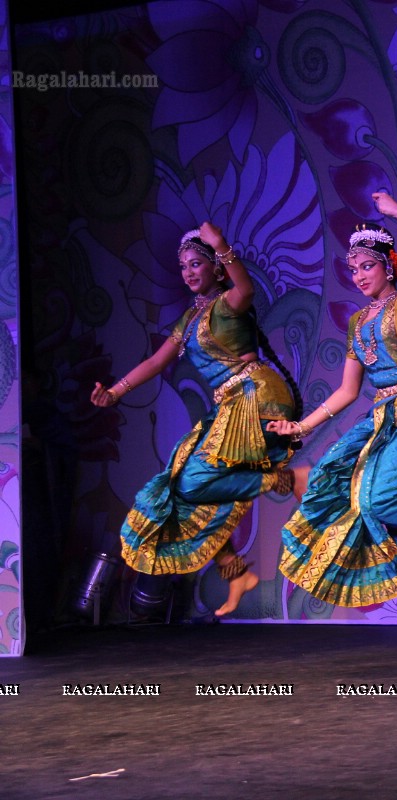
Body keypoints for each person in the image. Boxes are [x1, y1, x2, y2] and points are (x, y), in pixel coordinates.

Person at [267, 192, 397, 607]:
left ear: (388, 266)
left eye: (368, 266)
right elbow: (347, 391)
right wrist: (301, 426)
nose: (360, 276)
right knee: (337, 482)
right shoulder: (357, 323)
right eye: (354, 270)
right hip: (382, 416)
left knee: (378, 497)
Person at [92, 223, 302, 617]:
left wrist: (221, 244)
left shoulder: (230, 303)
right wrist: (116, 392)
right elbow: (157, 362)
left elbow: (247, 288)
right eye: (183, 266)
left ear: (217, 269)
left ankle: (288, 479)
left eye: (196, 264)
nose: (188, 272)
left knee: (194, 480)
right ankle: (234, 570)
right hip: (230, 403)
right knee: (180, 491)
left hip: (255, 396)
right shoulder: (190, 319)